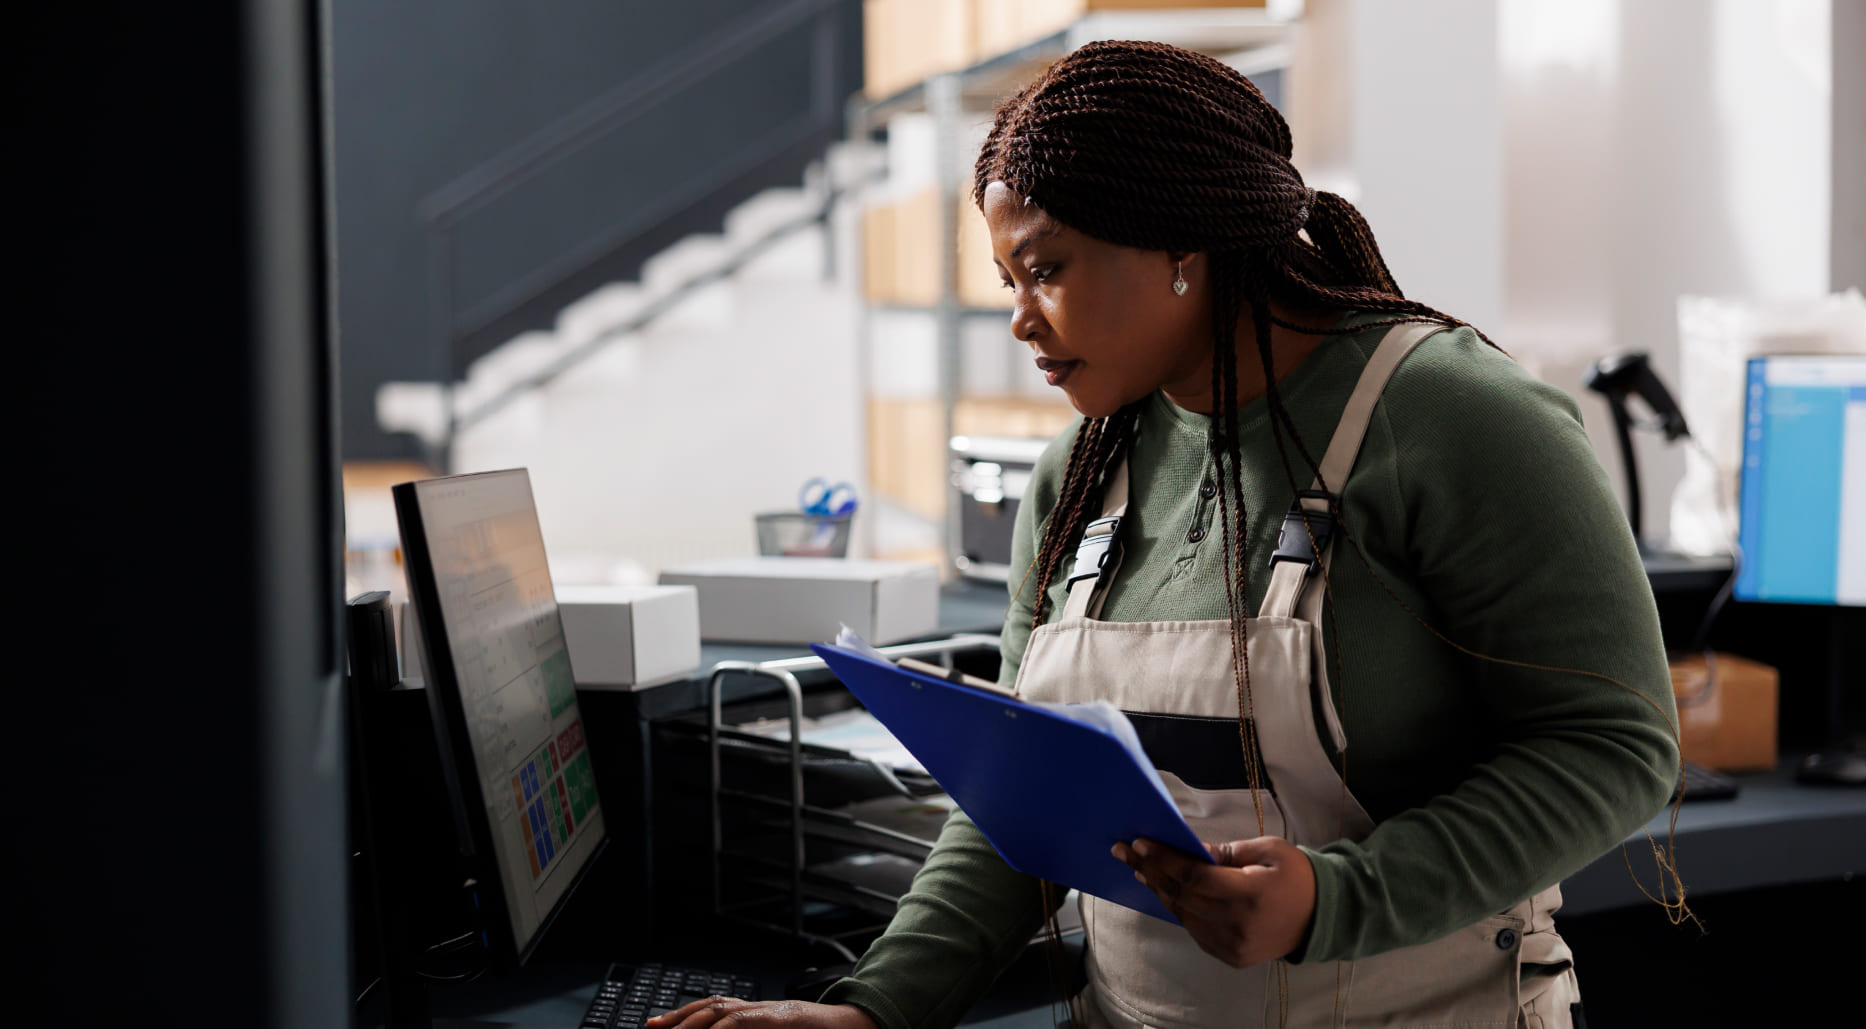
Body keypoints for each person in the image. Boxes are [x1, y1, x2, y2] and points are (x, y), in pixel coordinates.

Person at [650, 39, 1680, 1029]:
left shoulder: (1453, 418)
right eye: (1010, 282)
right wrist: (871, 1007)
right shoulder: (1081, 476)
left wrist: (1339, 898)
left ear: (1182, 241)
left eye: (1045, 269)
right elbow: (1018, 802)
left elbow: (1615, 747)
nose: (1020, 319)